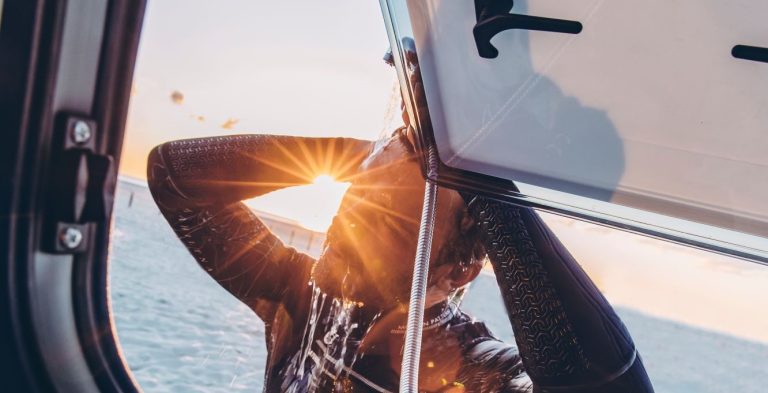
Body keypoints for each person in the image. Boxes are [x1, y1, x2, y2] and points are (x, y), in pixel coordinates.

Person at [147, 119, 654, 391]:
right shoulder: (300, 301)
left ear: (459, 270)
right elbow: (173, 177)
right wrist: (363, 159)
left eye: (391, 223)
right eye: (356, 199)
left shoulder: (469, 368)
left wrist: (484, 188)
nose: (346, 230)